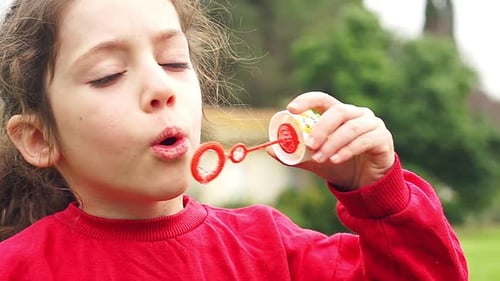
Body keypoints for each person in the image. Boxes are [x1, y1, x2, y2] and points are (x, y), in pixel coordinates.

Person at [0, 0, 467, 280]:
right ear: (39, 138)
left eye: (174, 62)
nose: (161, 88)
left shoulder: (272, 250)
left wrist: (382, 198)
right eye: (108, 75)